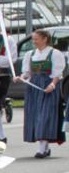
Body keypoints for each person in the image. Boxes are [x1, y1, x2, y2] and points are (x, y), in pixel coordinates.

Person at [17, 28, 65, 157]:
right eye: (33, 39)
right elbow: (27, 73)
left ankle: (41, 149)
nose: (34, 41)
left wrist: (52, 84)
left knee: (45, 116)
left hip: (48, 87)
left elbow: (57, 73)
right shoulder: (30, 54)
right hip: (34, 88)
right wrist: (20, 78)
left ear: (45, 39)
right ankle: (45, 147)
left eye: (36, 39)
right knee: (36, 116)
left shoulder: (55, 53)